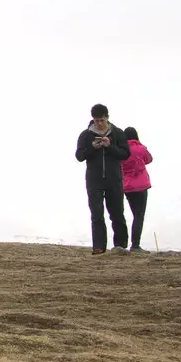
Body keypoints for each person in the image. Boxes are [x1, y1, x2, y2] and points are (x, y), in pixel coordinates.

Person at [75, 104, 131, 255]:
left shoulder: (118, 133)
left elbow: (125, 154)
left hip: (114, 179)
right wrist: (92, 147)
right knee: (97, 214)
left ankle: (120, 245)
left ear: (107, 117)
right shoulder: (86, 135)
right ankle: (99, 246)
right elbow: (79, 156)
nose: (99, 123)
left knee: (117, 212)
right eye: (96, 120)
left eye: (101, 120)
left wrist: (110, 146)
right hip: (94, 180)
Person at [121, 126, 153, 252]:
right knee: (139, 215)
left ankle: (127, 242)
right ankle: (135, 245)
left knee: (135, 214)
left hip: (127, 187)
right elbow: (149, 159)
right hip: (141, 186)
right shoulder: (141, 148)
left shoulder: (122, 150)